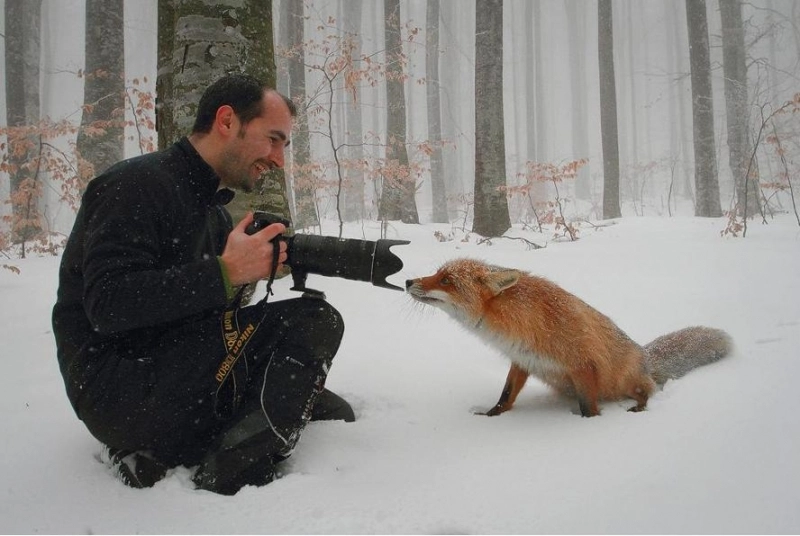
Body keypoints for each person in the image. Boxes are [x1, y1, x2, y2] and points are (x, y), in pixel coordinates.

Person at [52, 74, 354, 495]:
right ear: (227, 121)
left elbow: (197, 312)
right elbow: (108, 305)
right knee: (314, 320)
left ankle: (202, 431)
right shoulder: (134, 185)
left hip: (168, 369)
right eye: (273, 139)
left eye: (284, 145)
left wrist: (247, 274)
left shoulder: (213, 213)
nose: (279, 159)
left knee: (318, 388)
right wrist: (226, 273)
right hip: (119, 390)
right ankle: (232, 472)